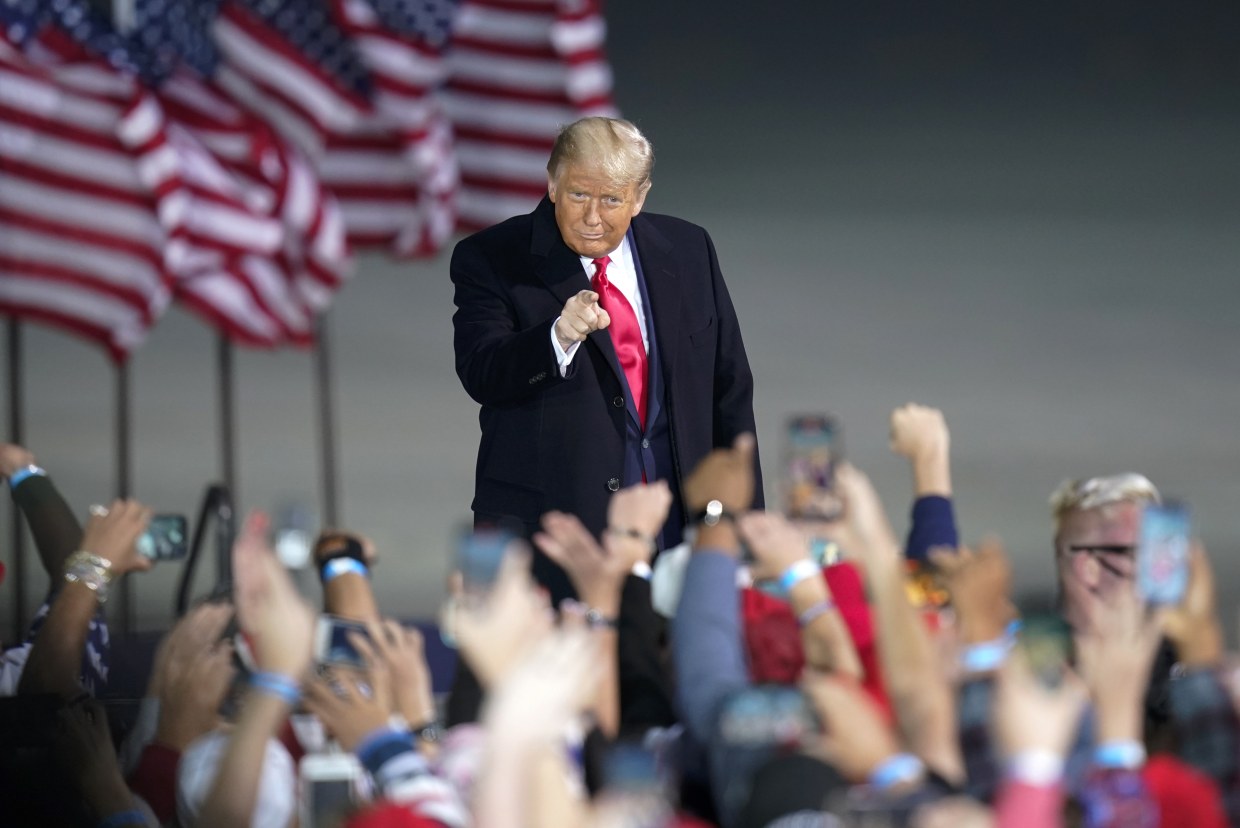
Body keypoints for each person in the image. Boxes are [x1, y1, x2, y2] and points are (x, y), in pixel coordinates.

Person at [450, 115, 762, 598]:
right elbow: (482, 372)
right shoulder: (491, 258)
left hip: (680, 532)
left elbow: (730, 390)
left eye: (612, 199)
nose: (593, 216)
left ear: (639, 197)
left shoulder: (687, 249)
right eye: (578, 195)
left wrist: (742, 529)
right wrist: (558, 337)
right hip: (558, 539)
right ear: (553, 183)